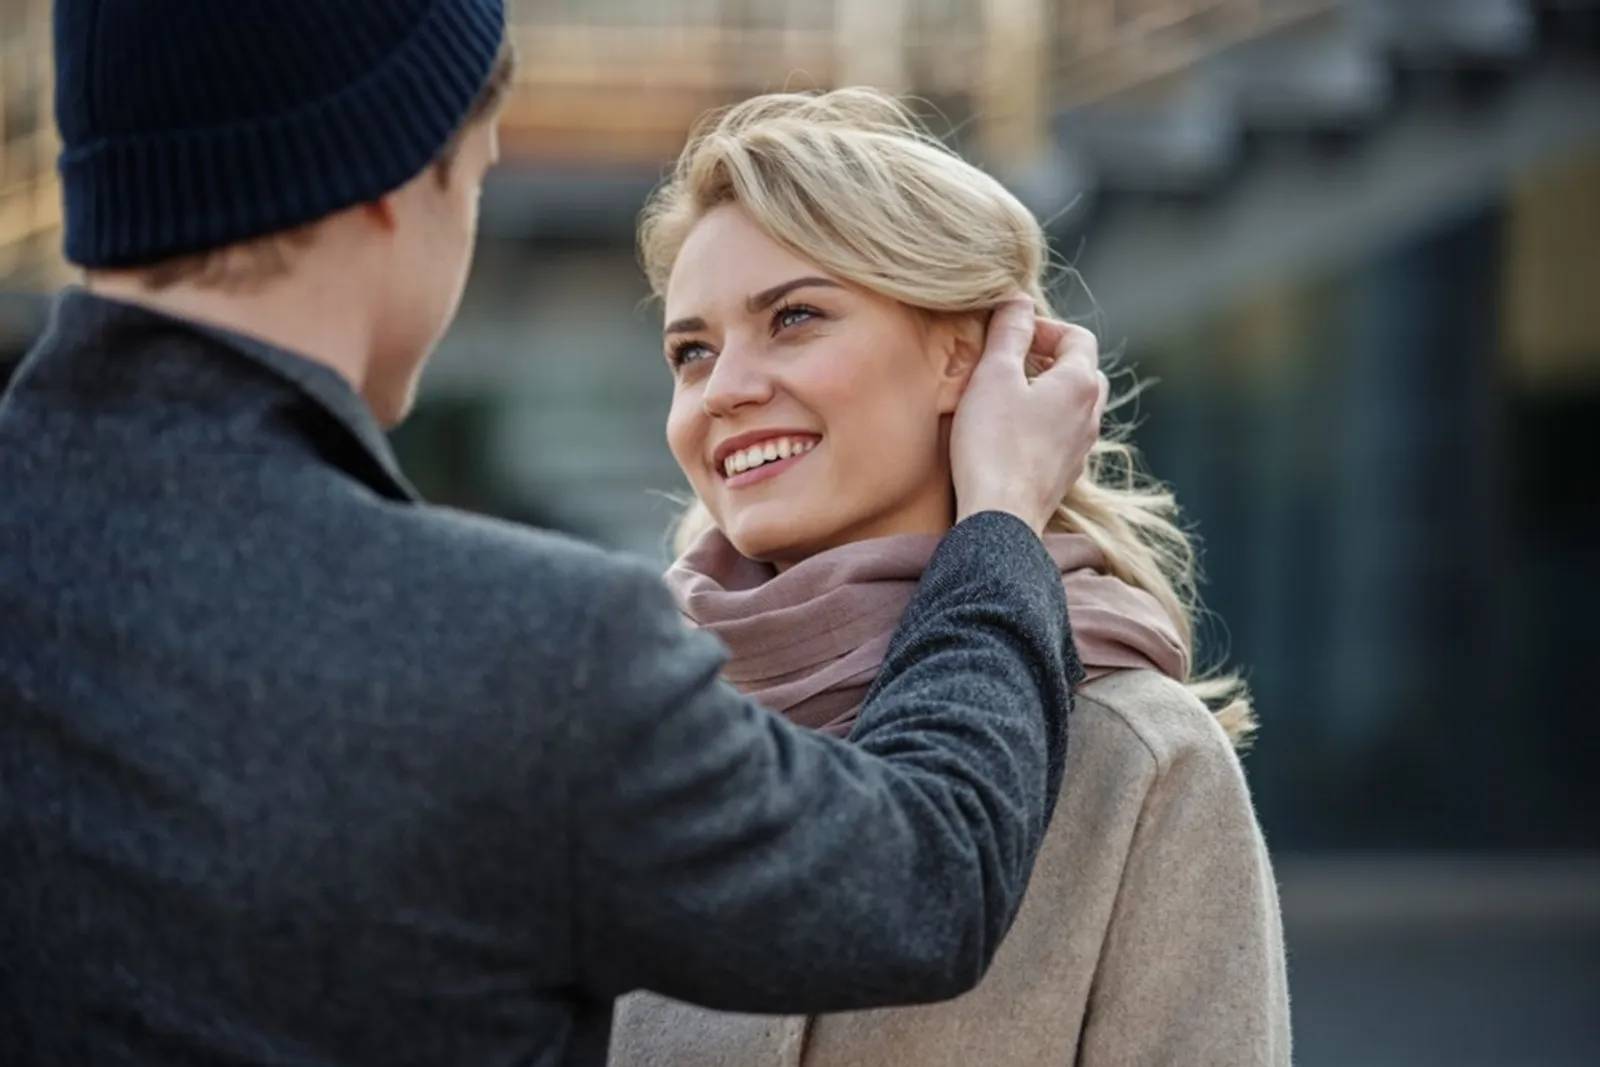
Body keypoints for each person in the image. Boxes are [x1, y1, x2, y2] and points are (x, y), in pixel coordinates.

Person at [0, 4, 1114, 1067]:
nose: (728, 387)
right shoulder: (535, 655)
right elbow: (932, 873)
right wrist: (1001, 518)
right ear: (402, 181)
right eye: (477, 175)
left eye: (794, 317)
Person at [607, 88, 1292, 1067]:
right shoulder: (626, 730)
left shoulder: (1139, 756)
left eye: (794, 316)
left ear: (965, 355)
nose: (724, 389)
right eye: (691, 351)